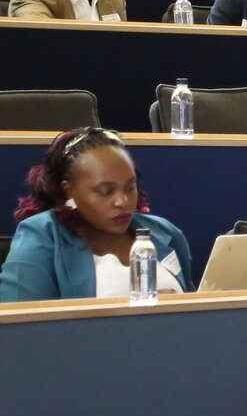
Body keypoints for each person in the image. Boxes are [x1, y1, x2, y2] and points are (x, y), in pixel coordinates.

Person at [0, 127, 195, 302]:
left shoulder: (165, 232)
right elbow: (17, 324)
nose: (122, 201)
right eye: (105, 191)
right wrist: (136, 314)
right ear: (69, 190)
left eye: (130, 187)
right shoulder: (42, 234)